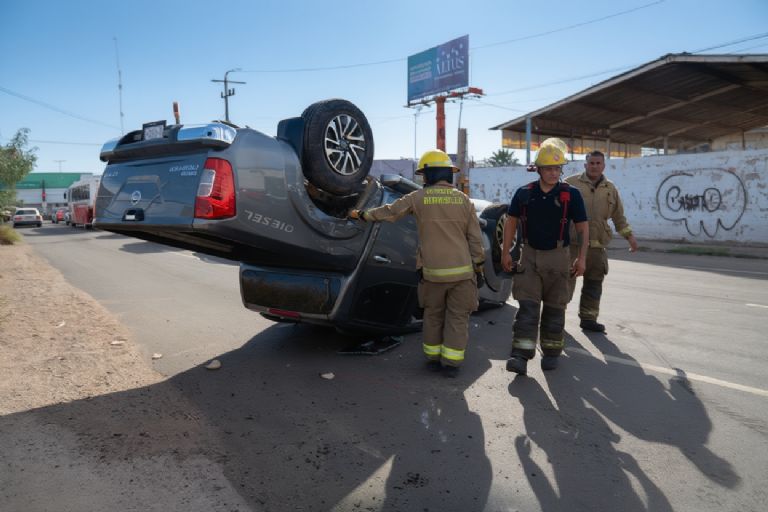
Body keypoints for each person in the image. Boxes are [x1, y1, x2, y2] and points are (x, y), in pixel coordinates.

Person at [348, 149, 484, 378]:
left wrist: (360, 215)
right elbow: (475, 239)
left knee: (432, 315)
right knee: (457, 318)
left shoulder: (418, 198)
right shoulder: (464, 200)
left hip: (432, 274)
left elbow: (389, 212)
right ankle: (451, 364)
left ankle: (432, 359)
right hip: (462, 274)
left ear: (428, 175)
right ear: (448, 174)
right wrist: (478, 266)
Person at [501, 138, 589, 375]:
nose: (553, 173)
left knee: (554, 309)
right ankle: (520, 355)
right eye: (548, 168)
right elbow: (511, 223)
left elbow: (582, 227)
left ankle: (551, 352)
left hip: (559, 258)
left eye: (557, 168)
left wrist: (581, 258)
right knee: (527, 310)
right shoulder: (524, 194)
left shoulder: (572, 195)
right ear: (538, 169)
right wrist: (506, 252)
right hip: (528, 257)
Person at [565, 151, 638, 333]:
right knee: (564, 283)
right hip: (572, 245)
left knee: (594, 283)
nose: (595, 166)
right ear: (585, 165)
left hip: (597, 247)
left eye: (598, 163)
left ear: (604, 166)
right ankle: (557, 318)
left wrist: (629, 237)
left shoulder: (610, 188)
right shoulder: (569, 183)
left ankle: (589, 319)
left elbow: (618, 216)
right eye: (591, 163)